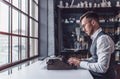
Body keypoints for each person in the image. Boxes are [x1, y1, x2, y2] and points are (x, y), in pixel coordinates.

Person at [68, 11, 115, 79]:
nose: (83, 29)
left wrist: (79, 63)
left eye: (84, 25)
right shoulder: (97, 38)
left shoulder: (103, 39)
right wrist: (80, 60)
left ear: (93, 22)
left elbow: (102, 68)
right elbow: (95, 58)